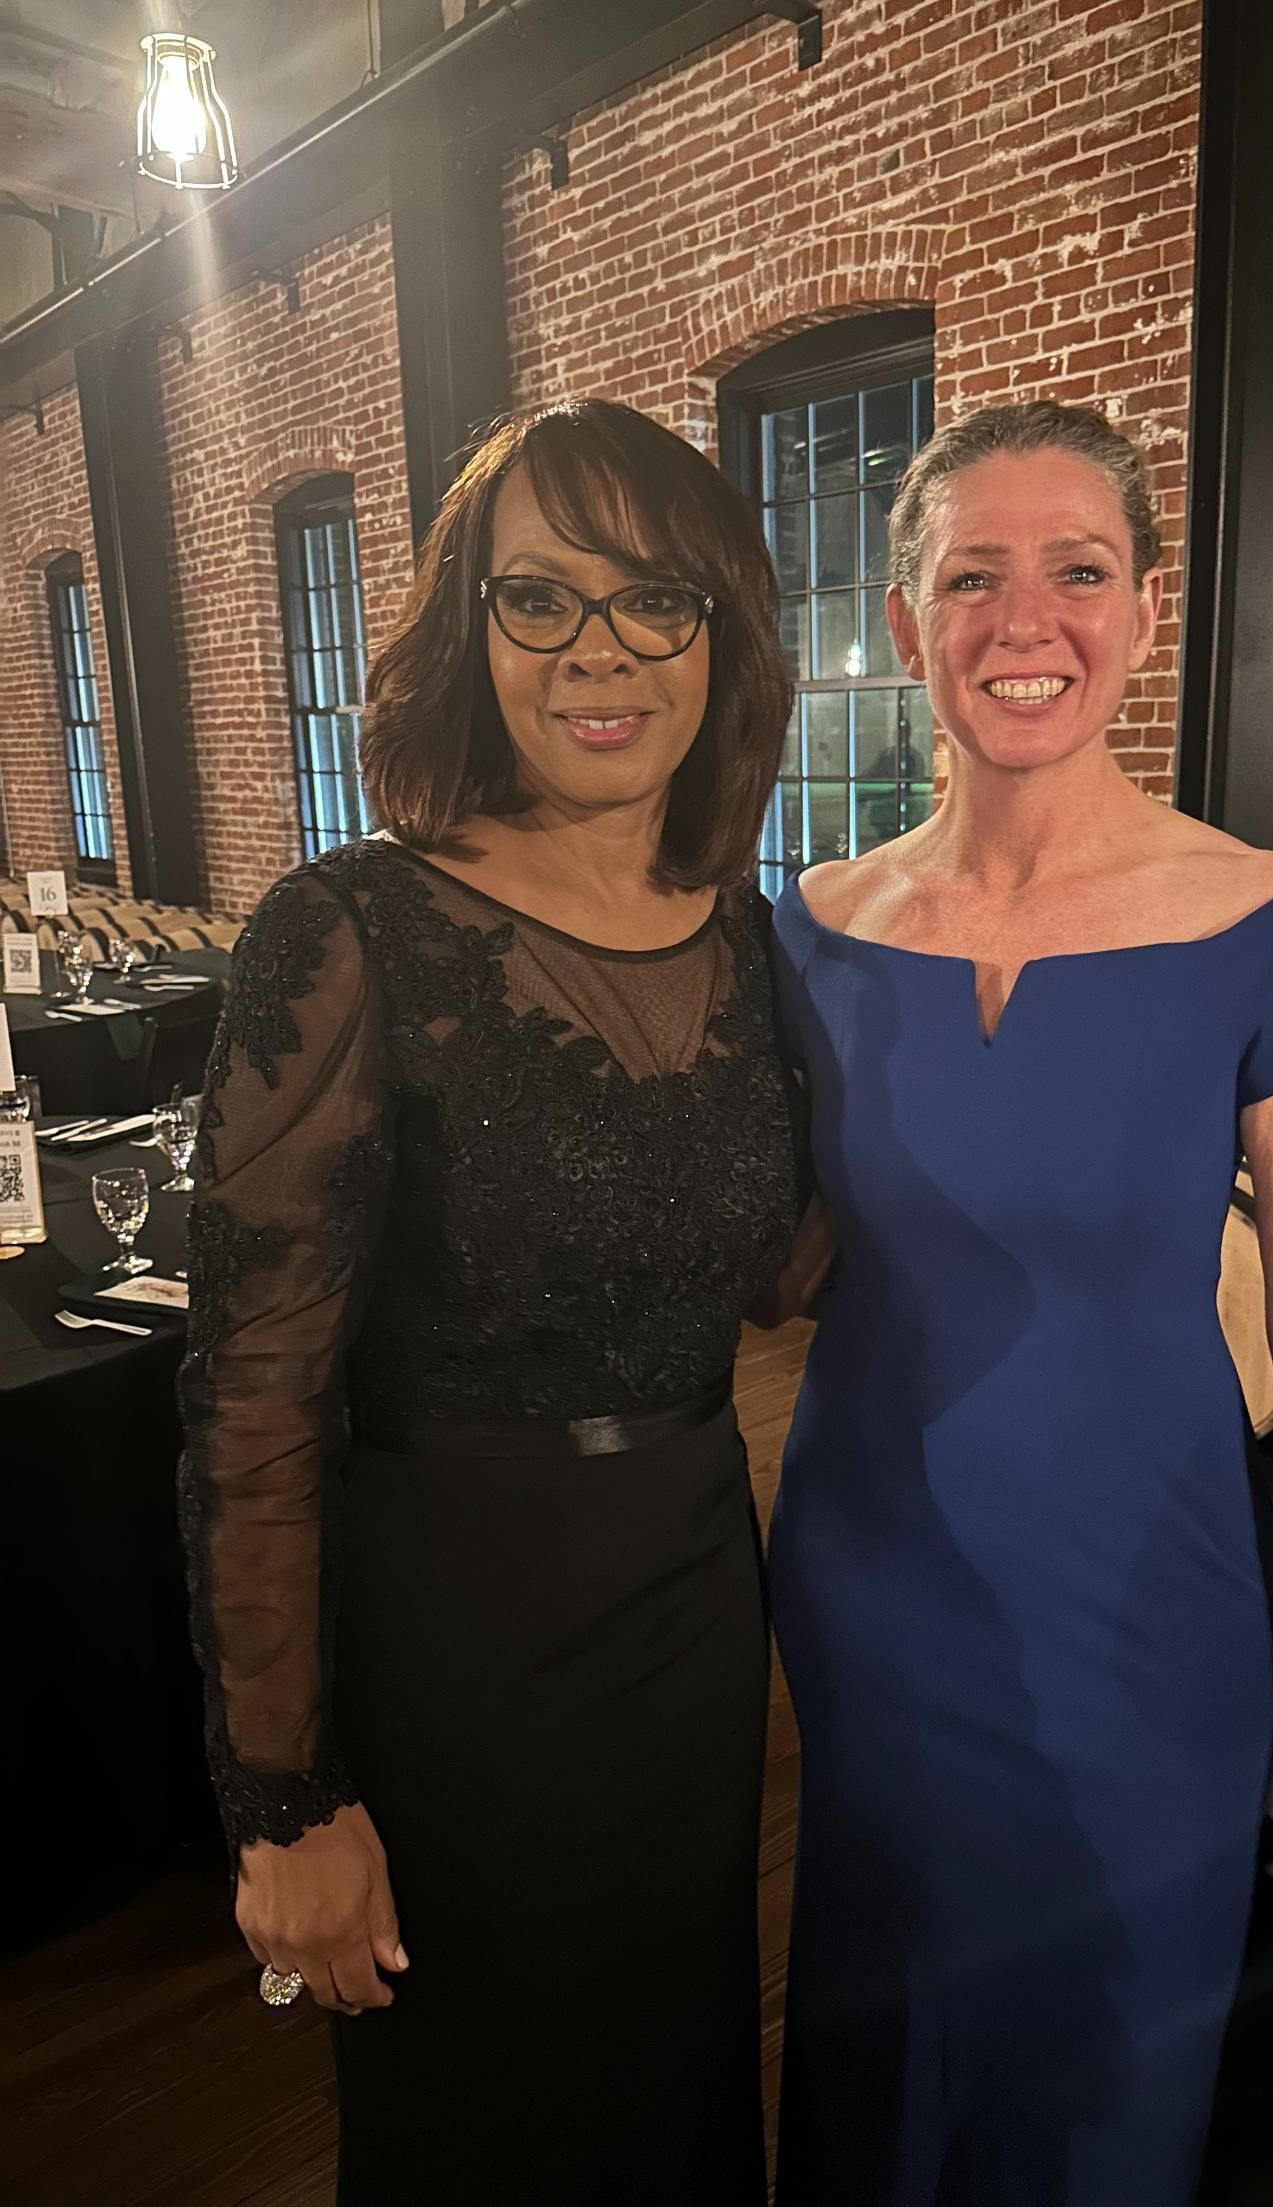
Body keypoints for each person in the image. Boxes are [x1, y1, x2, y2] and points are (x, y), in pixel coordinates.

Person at [766, 400, 1273, 2206]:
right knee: (883, 2061)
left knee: (1108, 2071)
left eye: (1075, 572)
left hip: (1147, 1602)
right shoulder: (805, 928)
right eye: (971, 579)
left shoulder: (1264, 919)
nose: (1020, 622)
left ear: (1139, 613)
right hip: (873, 1595)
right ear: (903, 627)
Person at [176, 400, 804, 2205]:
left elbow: (781, 1265)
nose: (599, 651)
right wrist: (280, 1800)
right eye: (539, 600)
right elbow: (254, 1393)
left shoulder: (748, 937)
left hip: (692, 1599)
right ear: (469, 629)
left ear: (720, 639)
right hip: (454, 1640)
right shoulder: (351, 927)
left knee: (674, 2084)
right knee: (487, 2123)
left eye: (655, 603)